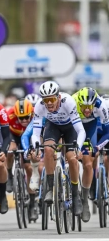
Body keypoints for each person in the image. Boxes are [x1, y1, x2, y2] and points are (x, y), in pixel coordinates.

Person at [31, 81, 85, 216]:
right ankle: (50, 188)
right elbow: (36, 133)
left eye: (52, 99)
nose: (49, 103)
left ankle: (75, 195)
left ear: (58, 97)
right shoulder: (39, 106)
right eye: (46, 100)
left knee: (72, 158)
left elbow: (80, 130)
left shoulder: (68, 101)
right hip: (53, 126)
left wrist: (78, 146)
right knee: (48, 149)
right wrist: (36, 145)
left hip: (69, 128)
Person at [72, 87, 109, 222]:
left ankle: (85, 200)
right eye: (84, 106)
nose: (87, 110)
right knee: (70, 155)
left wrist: (98, 146)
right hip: (73, 126)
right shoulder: (72, 102)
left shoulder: (101, 105)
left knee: (88, 163)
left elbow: (107, 132)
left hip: (90, 127)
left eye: (90, 106)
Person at [6, 99, 39, 221]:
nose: (24, 120)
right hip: (13, 135)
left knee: (29, 167)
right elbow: (3, 131)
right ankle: (9, 174)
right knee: (11, 150)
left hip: (29, 136)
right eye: (21, 118)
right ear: (15, 115)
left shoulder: (36, 113)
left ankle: (32, 203)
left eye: (26, 117)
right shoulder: (9, 114)